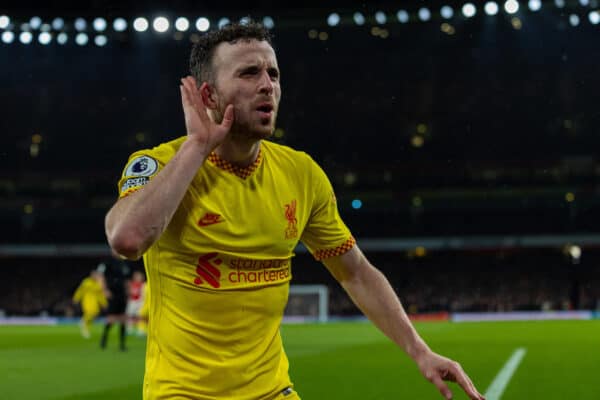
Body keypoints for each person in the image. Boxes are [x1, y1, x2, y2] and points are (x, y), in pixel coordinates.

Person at [105, 21, 485, 400]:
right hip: (182, 394)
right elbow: (127, 238)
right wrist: (196, 148)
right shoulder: (160, 164)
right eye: (249, 73)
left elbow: (354, 272)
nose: (267, 85)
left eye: (273, 73)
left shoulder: (300, 173)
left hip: (273, 391)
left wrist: (420, 351)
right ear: (209, 95)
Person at [98, 257, 130, 351]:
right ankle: (104, 339)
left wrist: (127, 292)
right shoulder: (107, 262)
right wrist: (105, 290)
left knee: (123, 318)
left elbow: (127, 280)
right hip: (113, 294)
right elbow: (101, 276)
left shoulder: (124, 264)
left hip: (122, 295)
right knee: (111, 318)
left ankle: (122, 344)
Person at [72, 268, 107, 339]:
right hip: (87, 300)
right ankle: (83, 324)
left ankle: (84, 324)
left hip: (95, 301)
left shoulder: (98, 283)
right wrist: (76, 298)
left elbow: (100, 294)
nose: (95, 276)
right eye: (94, 275)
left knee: (95, 313)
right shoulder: (86, 282)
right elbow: (80, 290)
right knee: (89, 312)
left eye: (96, 275)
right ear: (91, 275)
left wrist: (104, 303)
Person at [125, 270, 147, 335]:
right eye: (137, 276)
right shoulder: (132, 283)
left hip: (139, 301)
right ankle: (129, 328)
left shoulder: (143, 284)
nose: (138, 278)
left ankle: (141, 329)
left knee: (140, 315)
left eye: (139, 277)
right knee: (130, 315)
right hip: (132, 301)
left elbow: (143, 294)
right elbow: (129, 292)